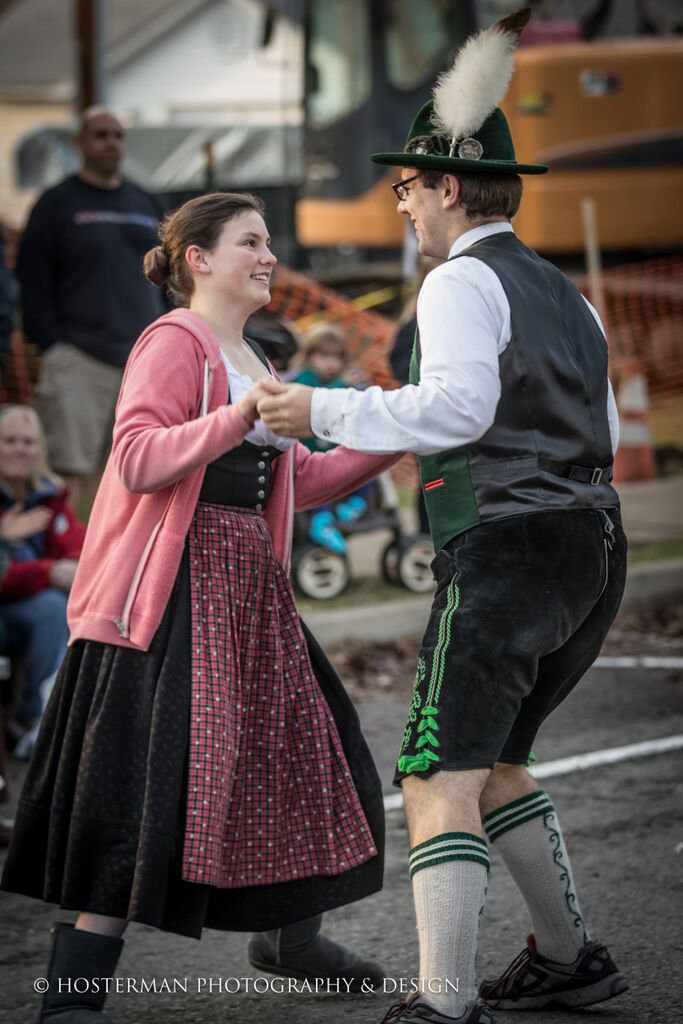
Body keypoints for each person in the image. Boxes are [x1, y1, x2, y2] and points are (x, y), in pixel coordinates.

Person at [257, 10, 629, 1023]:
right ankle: (567, 958)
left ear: (448, 185)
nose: (402, 206)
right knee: (496, 762)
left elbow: (460, 409)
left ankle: (442, 1000)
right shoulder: (565, 291)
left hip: (508, 551)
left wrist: (316, 407)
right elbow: (594, 428)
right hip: (593, 545)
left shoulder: (459, 278)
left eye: (408, 187)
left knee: (430, 776)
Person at [1, 191, 398, 1022]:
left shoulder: (256, 357)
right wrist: (236, 414)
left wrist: (403, 433)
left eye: (266, 243)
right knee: (150, 783)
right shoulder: (174, 341)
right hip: (174, 588)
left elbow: (300, 479)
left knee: (303, 753)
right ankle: (72, 997)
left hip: (250, 585)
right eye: (250, 242)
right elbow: (139, 457)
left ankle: (291, 940)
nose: (268, 257)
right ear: (199, 259)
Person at [16, 106, 166, 511]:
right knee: (67, 472)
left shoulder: (145, 200)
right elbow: (32, 280)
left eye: (117, 135)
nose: (110, 143)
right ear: (80, 142)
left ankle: (110, 567)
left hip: (141, 361)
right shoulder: (57, 203)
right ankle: (66, 564)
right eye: (100, 135)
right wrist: (50, 346)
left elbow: (171, 276)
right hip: (79, 359)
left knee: (126, 473)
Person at [0, 405, 84, 740]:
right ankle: (32, 719)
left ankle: (44, 718)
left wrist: (72, 566)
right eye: (10, 441)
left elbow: (78, 547)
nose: (21, 449)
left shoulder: (49, 497)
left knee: (59, 609)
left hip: (31, 610)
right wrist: (45, 570)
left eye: (28, 442)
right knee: (50, 605)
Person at [291, 322, 374, 553]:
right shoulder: (302, 378)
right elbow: (322, 397)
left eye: (336, 357)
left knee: (370, 466)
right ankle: (322, 521)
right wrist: (344, 384)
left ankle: (354, 505)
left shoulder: (345, 381)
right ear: (309, 356)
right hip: (309, 455)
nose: (330, 363)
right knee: (321, 480)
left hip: (336, 449)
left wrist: (358, 386)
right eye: (323, 356)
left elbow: (360, 401)